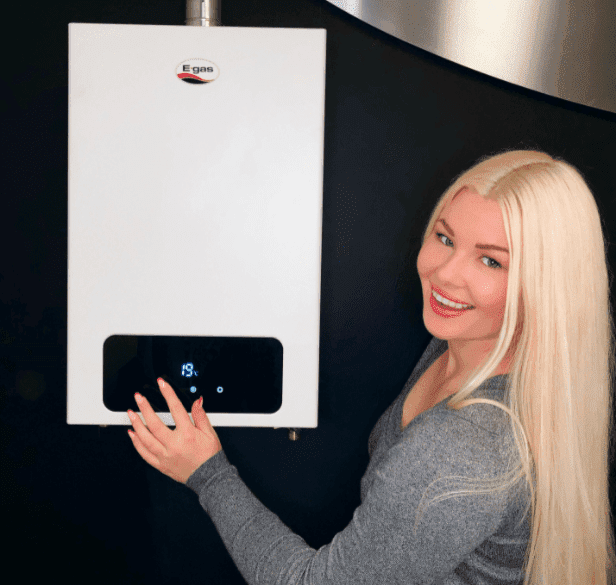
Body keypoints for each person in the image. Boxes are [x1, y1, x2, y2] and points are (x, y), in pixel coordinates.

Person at [127, 149, 616, 585]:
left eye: (490, 262)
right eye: (445, 238)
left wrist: (207, 473)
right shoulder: (464, 345)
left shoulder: (460, 450)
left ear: (546, 289)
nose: (444, 274)